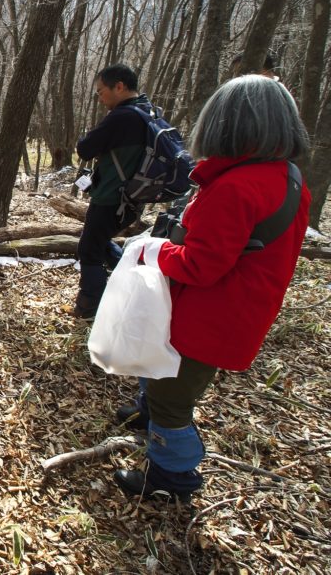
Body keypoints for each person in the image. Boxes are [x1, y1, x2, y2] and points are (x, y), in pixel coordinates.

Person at [112, 74, 310, 501]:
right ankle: (147, 414)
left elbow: (201, 266)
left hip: (207, 317)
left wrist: (154, 250)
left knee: (172, 397)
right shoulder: (286, 177)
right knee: (158, 368)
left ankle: (171, 477)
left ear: (227, 124)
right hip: (237, 310)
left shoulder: (237, 187)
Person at [72, 64, 154, 319]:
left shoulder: (122, 117)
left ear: (119, 86)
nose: (99, 98)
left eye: (101, 92)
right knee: (100, 242)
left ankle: (90, 310)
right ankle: (132, 288)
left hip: (111, 198)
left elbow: (85, 148)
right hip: (133, 197)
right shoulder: (148, 111)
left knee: (89, 250)